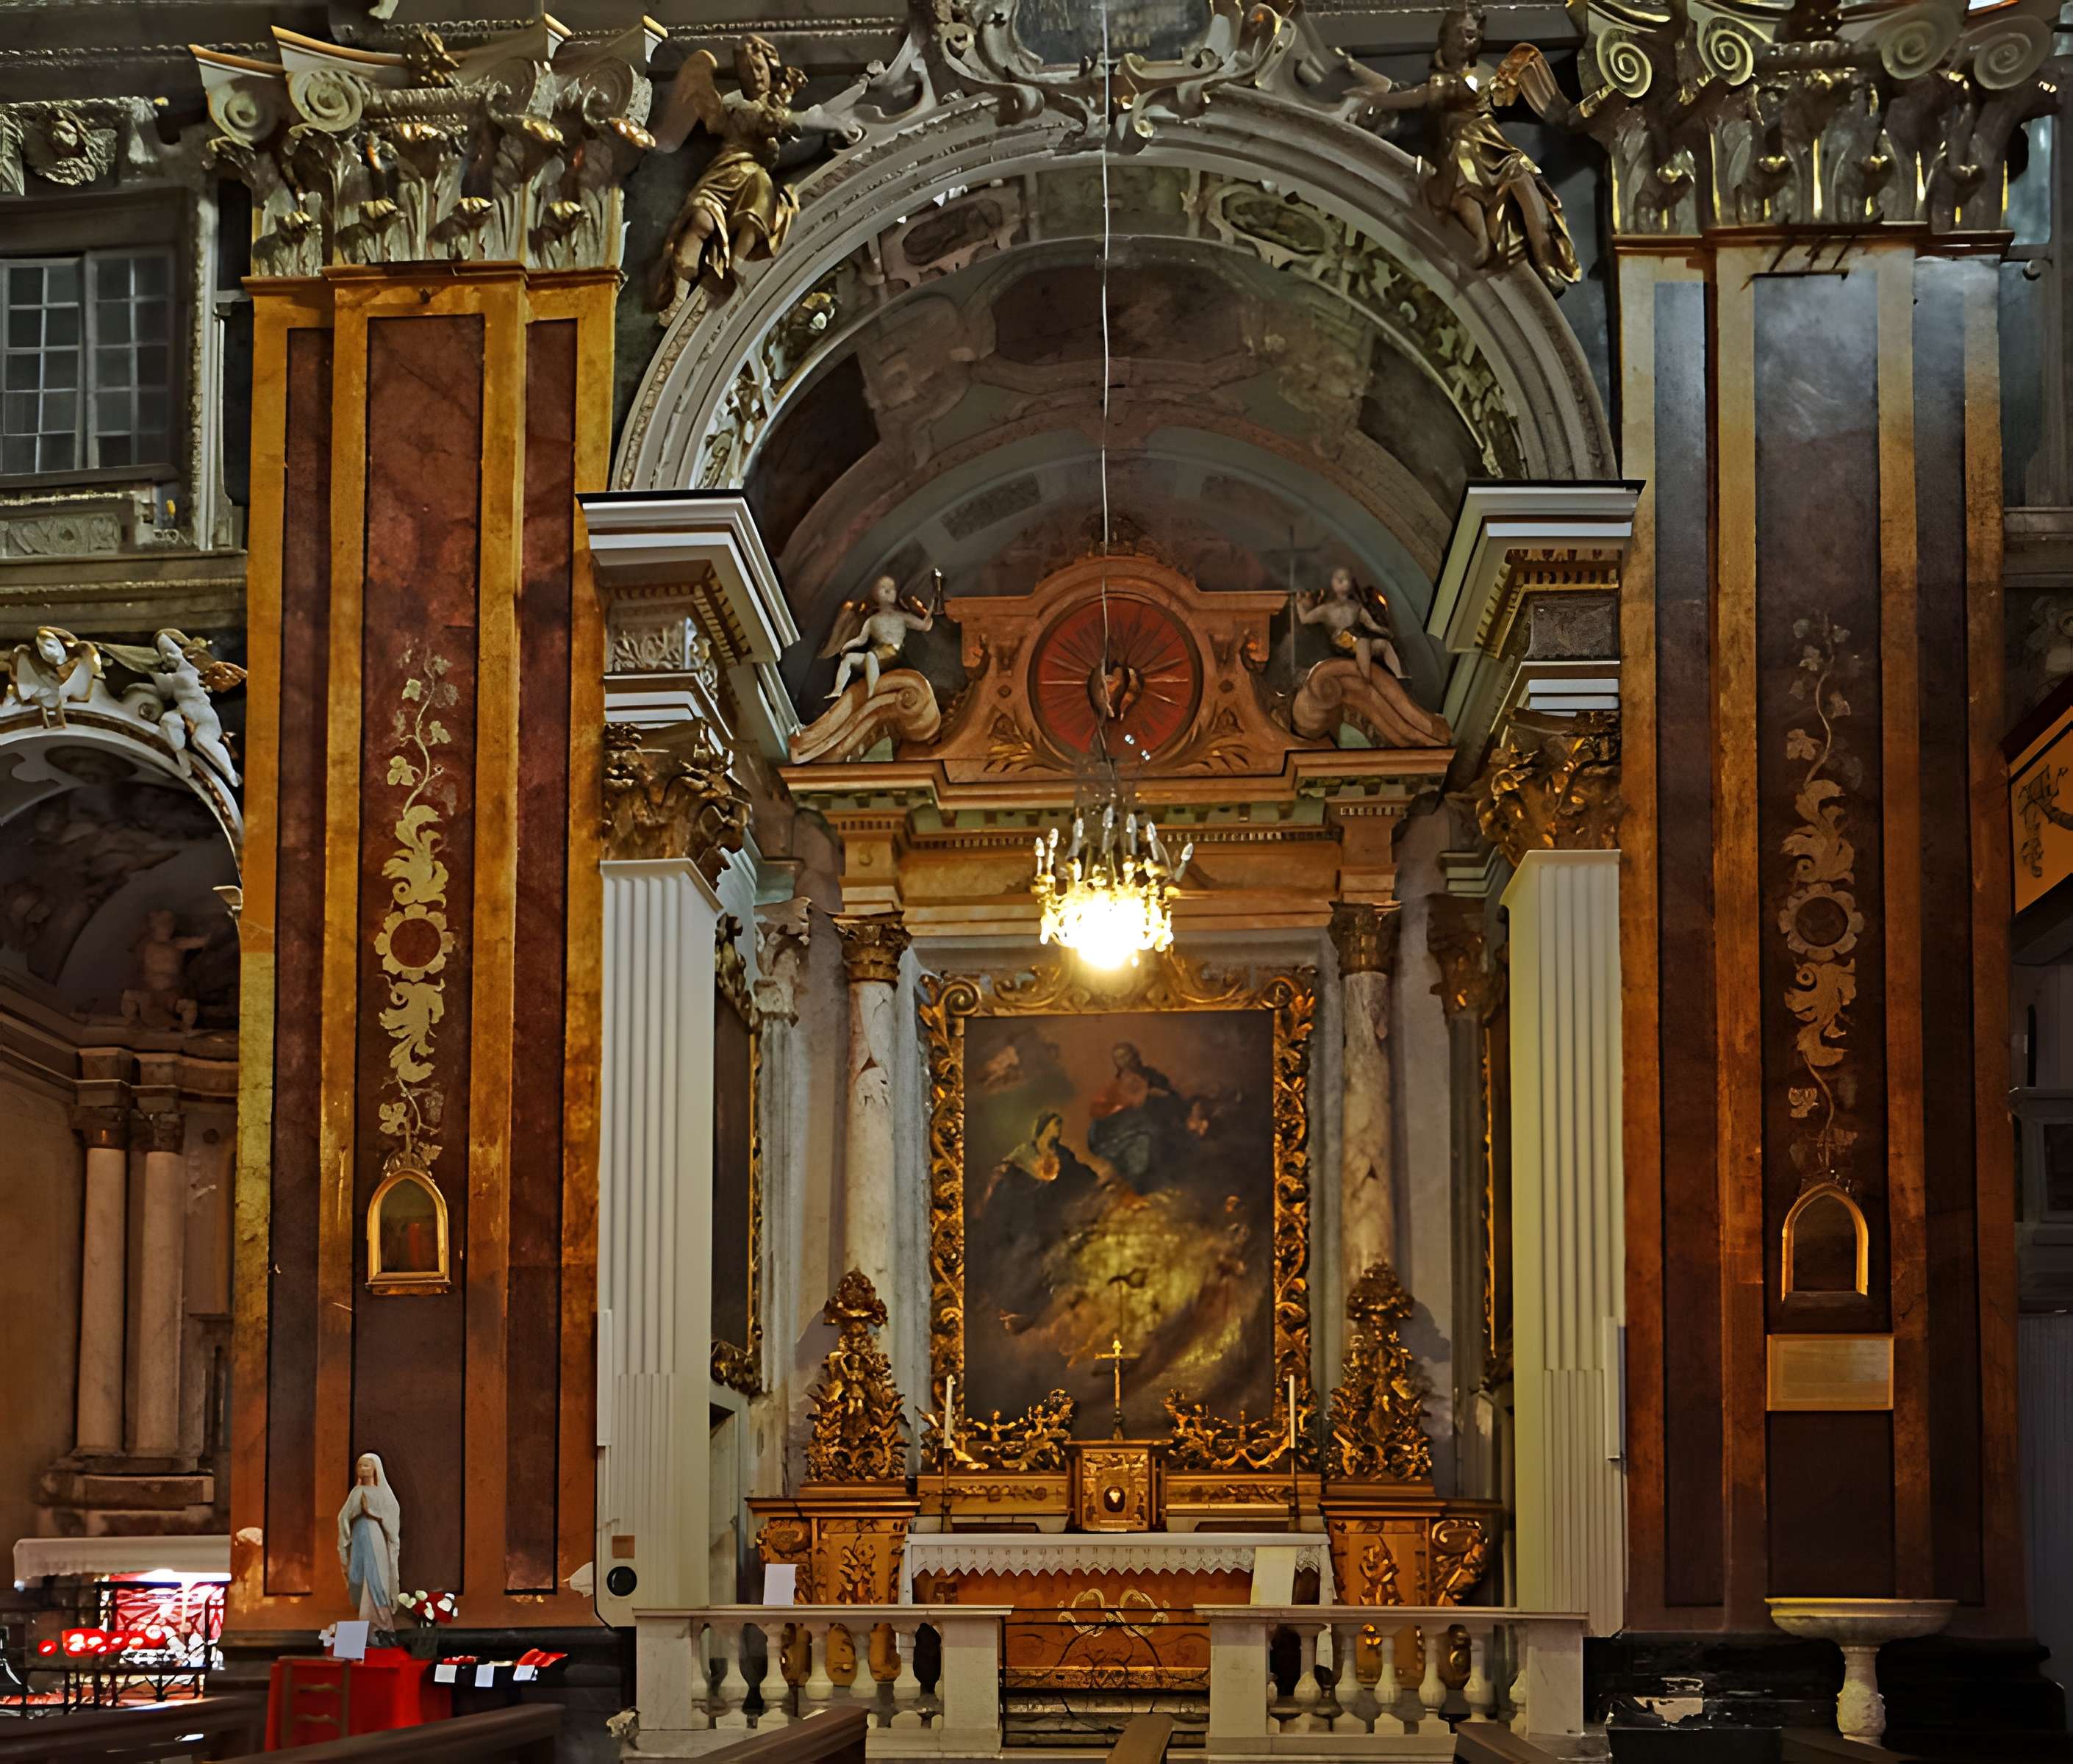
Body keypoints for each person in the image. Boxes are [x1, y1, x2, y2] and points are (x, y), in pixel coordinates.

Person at [336, 1452, 402, 1641]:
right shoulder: (356, 1492)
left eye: (367, 1465)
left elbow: (391, 1516)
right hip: (358, 1539)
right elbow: (343, 1517)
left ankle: (382, 1625)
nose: (363, 1469)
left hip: (375, 1537)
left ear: (375, 1469)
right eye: (360, 1466)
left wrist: (372, 1512)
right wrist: (356, 1514)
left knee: (377, 1579)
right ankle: (365, 1628)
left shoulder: (383, 1493)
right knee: (359, 1577)